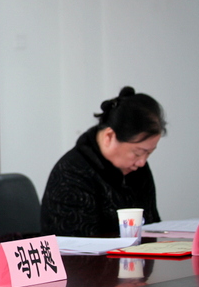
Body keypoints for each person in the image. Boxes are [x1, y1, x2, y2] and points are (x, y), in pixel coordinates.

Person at [40, 86, 166, 237]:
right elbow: (79, 246)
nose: (142, 162)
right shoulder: (71, 173)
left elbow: (151, 226)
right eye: (137, 153)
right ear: (109, 136)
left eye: (149, 153)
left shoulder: (138, 169)